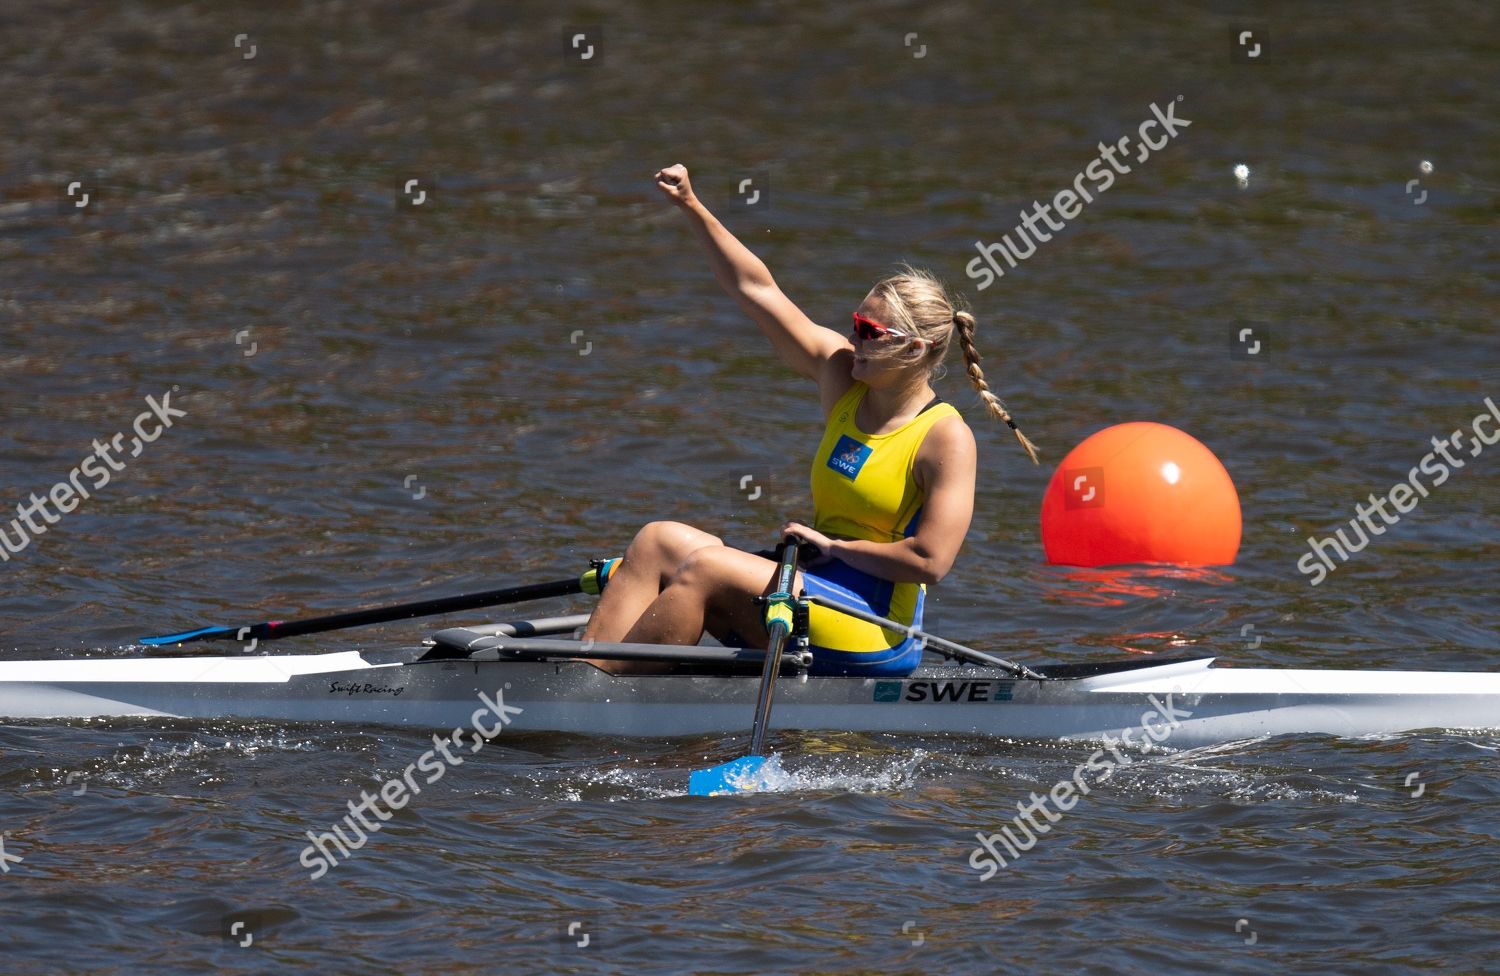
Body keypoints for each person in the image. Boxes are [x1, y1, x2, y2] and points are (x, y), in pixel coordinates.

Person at [580, 164, 1038, 676]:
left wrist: (836, 547)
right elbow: (758, 289)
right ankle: (582, 677)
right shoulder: (842, 376)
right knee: (657, 540)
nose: (854, 336)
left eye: (869, 330)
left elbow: (932, 561)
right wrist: (692, 204)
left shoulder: (945, 437)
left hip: (874, 623)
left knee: (705, 567)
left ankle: (608, 702)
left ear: (914, 349)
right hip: (811, 587)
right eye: (855, 323)